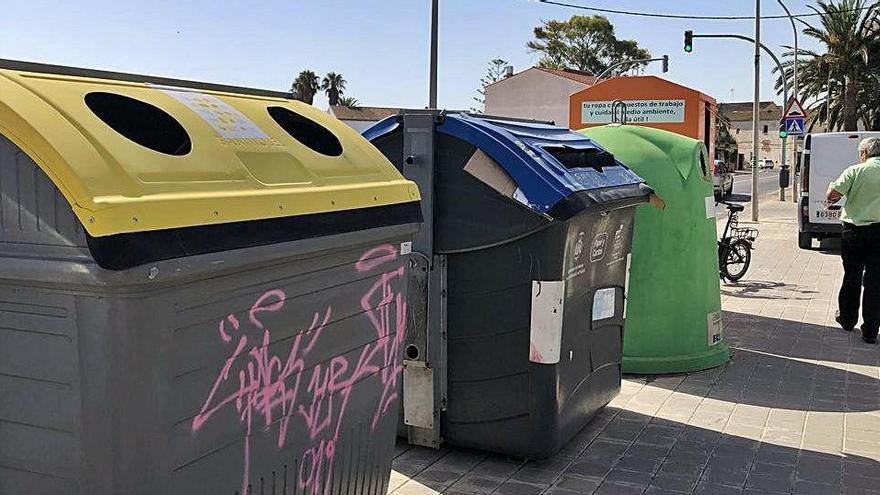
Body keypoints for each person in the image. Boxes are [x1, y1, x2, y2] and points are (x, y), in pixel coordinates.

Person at [826, 137, 880, 343]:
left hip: (854, 232)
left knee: (852, 275)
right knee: (876, 280)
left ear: (865, 153)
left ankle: (848, 319)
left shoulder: (855, 171)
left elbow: (832, 194)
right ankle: (871, 330)